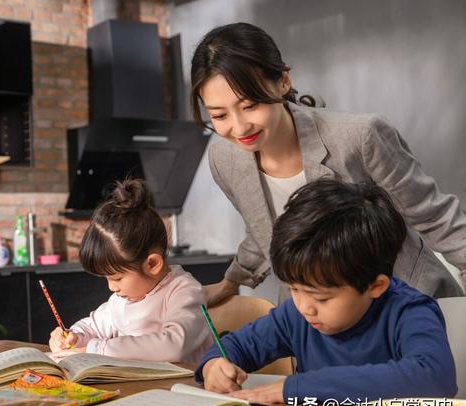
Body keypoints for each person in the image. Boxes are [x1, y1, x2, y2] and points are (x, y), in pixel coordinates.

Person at [190, 22, 466, 306]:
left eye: (250, 105)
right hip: (316, 313)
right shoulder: (225, 159)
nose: (239, 127)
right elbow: (264, 229)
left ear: (283, 81)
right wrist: (230, 283)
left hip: (403, 301)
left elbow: (436, 217)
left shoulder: (360, 137)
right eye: (219, 115)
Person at [196, 179, 457, 403]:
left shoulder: (409, 312)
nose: (305, 307)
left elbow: (434, 377)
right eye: (294, 288)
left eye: (321, 298)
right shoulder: (297, 316)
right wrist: (214, 364)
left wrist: (301, 387)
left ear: (375, 286)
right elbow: (236, 345)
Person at [48, 179, 212, 364]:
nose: (111, 287)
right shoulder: (121, 301)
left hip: (187, 380)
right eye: (107, 278)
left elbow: (174, 345)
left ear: (152, 264)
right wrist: (73, 337)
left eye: (117, 278)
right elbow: (92, 326)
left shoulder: (184, 291)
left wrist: (99, 349)